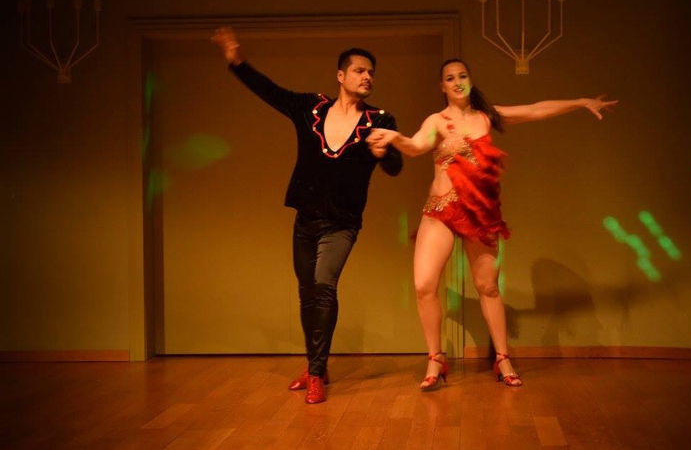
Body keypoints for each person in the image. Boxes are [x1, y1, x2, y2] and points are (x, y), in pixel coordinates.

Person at [367, 58, 616, 390]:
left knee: (487, 287)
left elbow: (535, 110)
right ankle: (435, 359)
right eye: (450, 78)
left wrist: (581, 102)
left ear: (470, 81)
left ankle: (502, 358)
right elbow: (415, 147)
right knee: (424, 284)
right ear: (442, 86)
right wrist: (394, 137)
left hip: (479, 213)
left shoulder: (487, 116)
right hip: (441, 210)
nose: (457, 82)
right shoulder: (437, 121)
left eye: (462, 76)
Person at [212, 27, 402, 404]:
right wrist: (236, 61)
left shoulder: (380, 120)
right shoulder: (311, 108)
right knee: (307, 293)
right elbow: (271, 92)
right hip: (306, 219)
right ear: (341, 75)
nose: (367, 77)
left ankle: (315, 374)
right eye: (360, 70)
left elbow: (395, 168)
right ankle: (318, 364)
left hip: (342, 223)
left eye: (371, 72)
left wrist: (385, 153)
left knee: (323, 286)